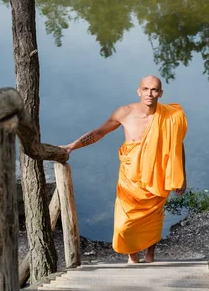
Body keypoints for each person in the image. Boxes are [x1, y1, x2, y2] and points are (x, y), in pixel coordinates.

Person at [61, 75, 187, 264]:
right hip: (130, 179)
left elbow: (177, 144)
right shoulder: (125, 112)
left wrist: (181, 175)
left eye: (154, 90)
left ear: (160, 93)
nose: (150, 93)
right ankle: (133, 256)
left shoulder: (170, 115)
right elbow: (99, 133)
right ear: (139, 91)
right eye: (146, 89)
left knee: (153, 217)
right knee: (124, 225)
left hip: (157, 175)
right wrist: (73, 145)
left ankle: (150, 255)